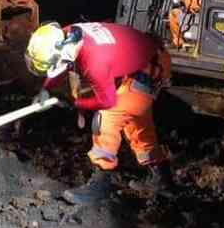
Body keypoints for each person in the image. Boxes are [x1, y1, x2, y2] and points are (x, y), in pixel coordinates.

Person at [25, 21, 174, 205]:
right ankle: (164, 180)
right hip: (148, 58)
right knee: (136, 124)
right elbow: (64, 64)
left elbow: (107, 100)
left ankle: (101, 184)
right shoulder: (67, 34)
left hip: (149, 68)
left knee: (106, 119)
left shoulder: (94, 62)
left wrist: (75, 102)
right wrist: (46, 89)